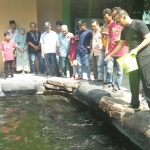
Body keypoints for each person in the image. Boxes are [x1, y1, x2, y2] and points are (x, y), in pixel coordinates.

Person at [105, 9, 150, 108]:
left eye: (119, 21)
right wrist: (110, 55)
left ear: (124, 17)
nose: (118, 23)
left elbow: (148, 38)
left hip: (144, 57)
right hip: (132, 58)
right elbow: (120, 45)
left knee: (147, 82)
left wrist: (137, 49)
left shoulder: (139, 24)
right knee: (133, 80)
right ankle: (134, 103)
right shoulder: (124, 30)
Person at [104, 7, 128, 92]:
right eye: (113, 16)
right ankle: (109, 82)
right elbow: (109, 37)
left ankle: (117, 85)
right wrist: (107, 49)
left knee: (119, 71)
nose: (114, 17)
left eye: (115, 15)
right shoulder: (111, 24)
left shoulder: (124, 25)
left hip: (121, 51)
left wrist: (120, 39)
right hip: (111, 51)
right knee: (109, 68)